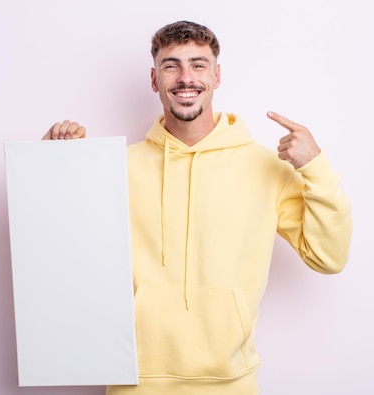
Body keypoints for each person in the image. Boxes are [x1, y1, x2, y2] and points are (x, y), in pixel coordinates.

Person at [42, 20, 352, 395]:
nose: (185, 77)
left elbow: (329, 257)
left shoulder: (265, 167)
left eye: (198, 64)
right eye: (171, 65)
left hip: (231, 383)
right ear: (154, 79)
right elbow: (61, 257)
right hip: (134, 381)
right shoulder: (117, 167)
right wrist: (54, 170)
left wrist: (314, 165)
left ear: (216, 75)